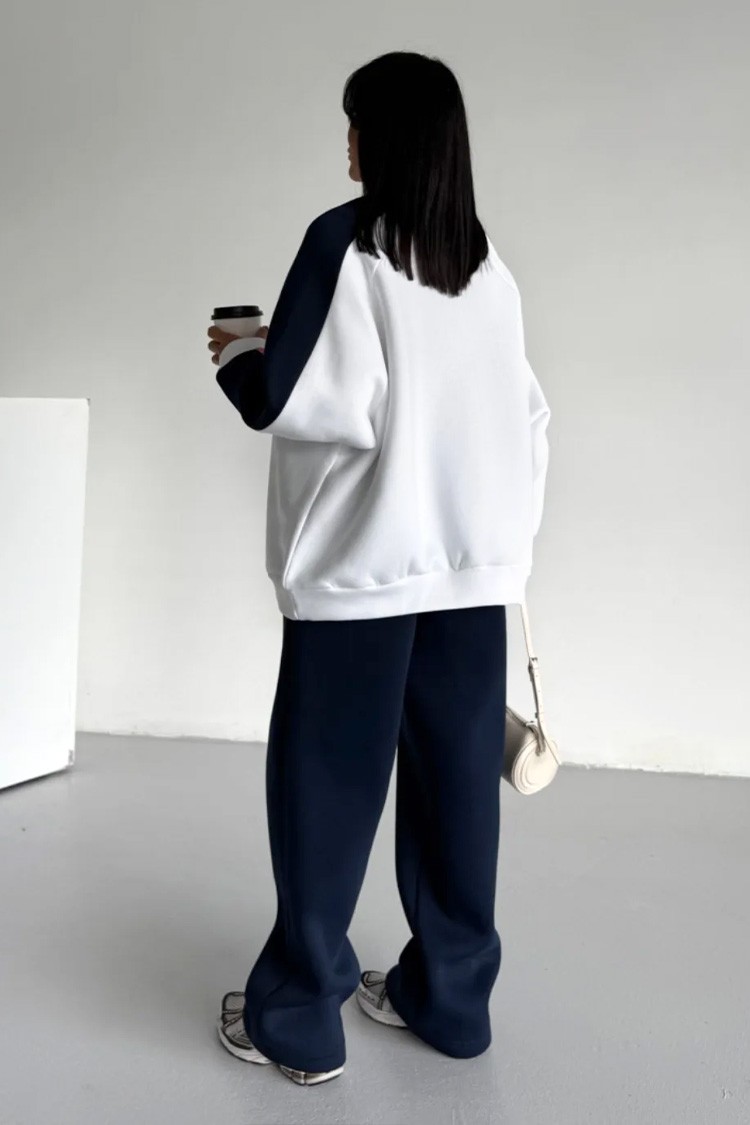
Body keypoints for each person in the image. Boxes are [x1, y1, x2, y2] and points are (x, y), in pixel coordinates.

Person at [207, 50, 551, 1087]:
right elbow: (527, 416)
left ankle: (298, 1020)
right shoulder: (484, 264)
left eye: (356, 123)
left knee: (326, 787)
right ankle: (449, 1001)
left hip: (364, 575)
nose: (347, 142)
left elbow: (289, 398)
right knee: (457, 792)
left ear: (387, 138)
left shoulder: (344, 243)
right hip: (471, 578)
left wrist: (236, 348)